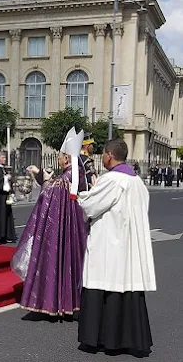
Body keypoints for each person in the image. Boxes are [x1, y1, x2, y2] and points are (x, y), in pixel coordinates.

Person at [77, 139, 156, 357]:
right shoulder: (137, 181)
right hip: (128, 244)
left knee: (104, 283)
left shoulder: (111, 179)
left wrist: (83, 195)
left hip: (109, 243)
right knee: (124, 285)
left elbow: (90, 206)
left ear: (110, 155)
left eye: (102, 153)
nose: (101, 157)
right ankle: (125, 339)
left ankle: (100, 338)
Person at [11, 127, 88, 317]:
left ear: (67, 159)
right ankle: (70, 301)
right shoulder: (77, 175)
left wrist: (44, 180)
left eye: (61, 156)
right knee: (70, 260)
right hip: (74, 227)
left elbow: (49, 195)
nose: (59, 159)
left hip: (63, 227)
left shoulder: (66, 178)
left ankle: (56, 302)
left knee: (58, 257)